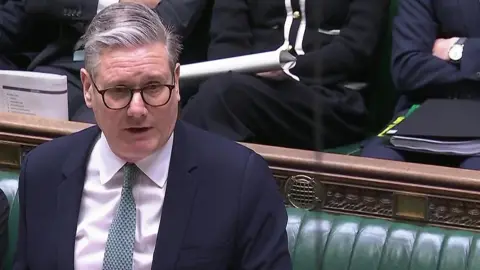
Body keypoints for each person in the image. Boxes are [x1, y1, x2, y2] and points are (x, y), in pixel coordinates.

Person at [14, 3, 292, 270]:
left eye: (154, 87)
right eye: (119, 91)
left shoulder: (239, 180)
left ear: (176, 80)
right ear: (88, 89)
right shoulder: (42, 172)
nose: (137, 109)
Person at [181, 0, 389, 151]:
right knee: (212, 95)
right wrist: (253, 70)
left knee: (221, 96)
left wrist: (289, 68)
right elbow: (226, 45)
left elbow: (356, 50)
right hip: (249, 92)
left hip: (331, 101)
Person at [360, 0, 480, 169]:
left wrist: (462, 49)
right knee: (376, 166)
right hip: (427, 110)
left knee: (473, 176)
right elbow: (408, 68)